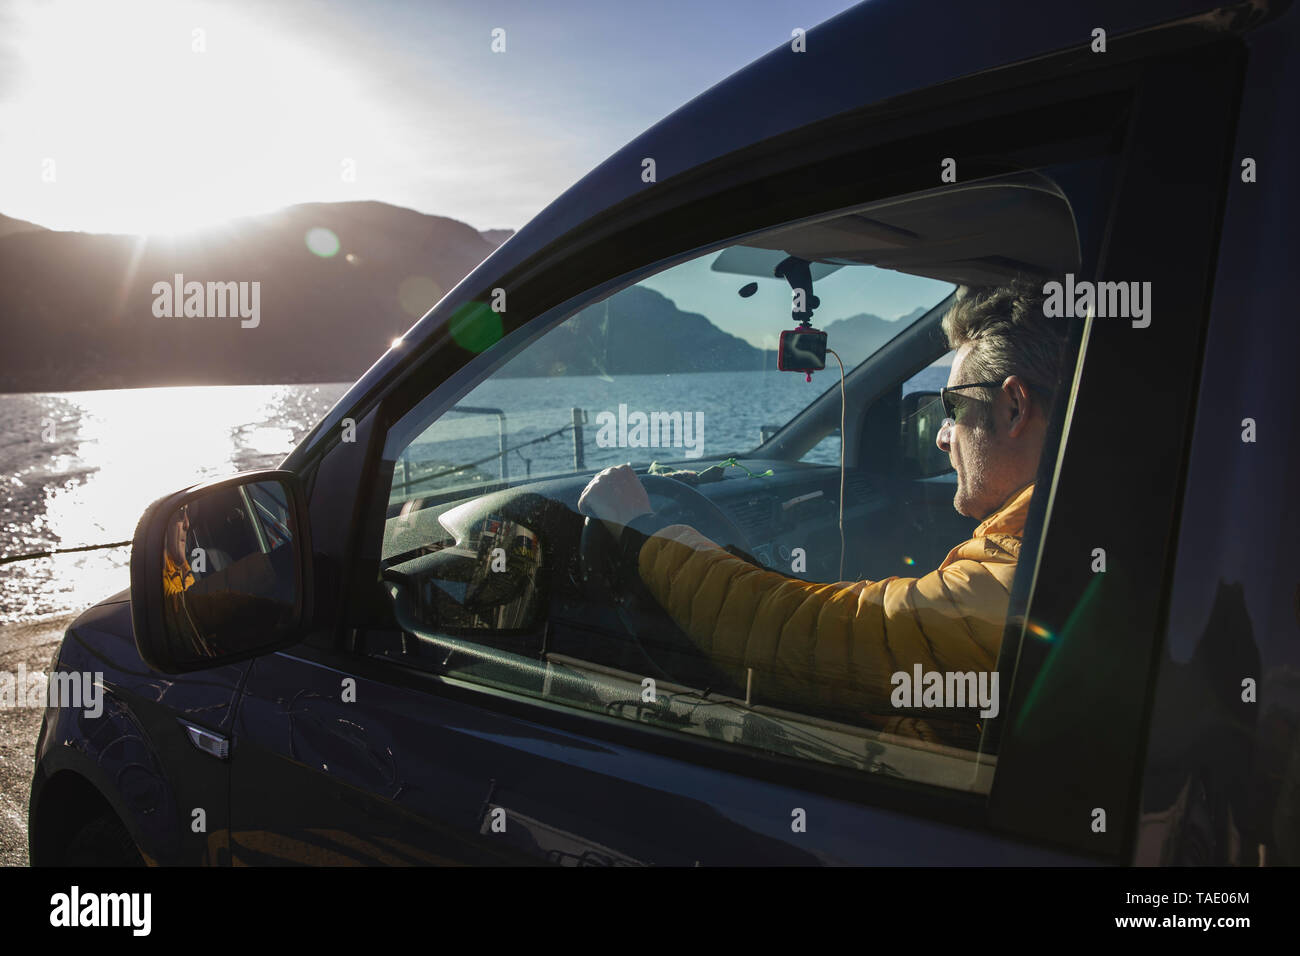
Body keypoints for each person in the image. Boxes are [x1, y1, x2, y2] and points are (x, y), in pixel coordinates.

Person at [578, 280, 1067, 746]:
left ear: (1013, 408)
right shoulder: (1057, 542)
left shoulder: (1013, 578)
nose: (942, 435)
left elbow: (803, 634)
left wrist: (638, 530)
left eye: (952, 407)